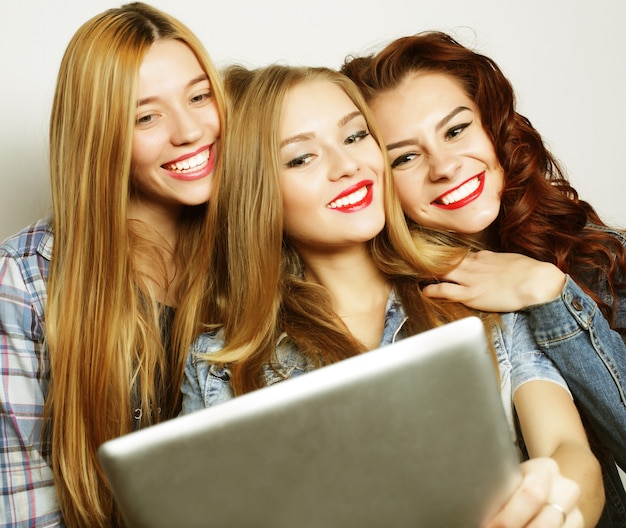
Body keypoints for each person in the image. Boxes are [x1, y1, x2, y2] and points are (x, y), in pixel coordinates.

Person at [181, 63, 604, 527]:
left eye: (355, 136)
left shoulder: (476, 286)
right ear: (257, 190)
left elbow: (568, 450)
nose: (348, 167)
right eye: (302, 158)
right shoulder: (219, 362)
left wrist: (554, 507)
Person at [340, 30, 626, 525]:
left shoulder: (597, 254)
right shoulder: (385, 302)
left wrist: (550, 294)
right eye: (405, 157)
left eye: (456, 130)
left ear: (493, 126)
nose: (445, 167)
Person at [0, 3, 225, 526]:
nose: (190, 131)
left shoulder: (263, 245)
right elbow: (24, 509)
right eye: (146, 116)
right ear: (99, 137)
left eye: (199, 96)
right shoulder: (23, 281)